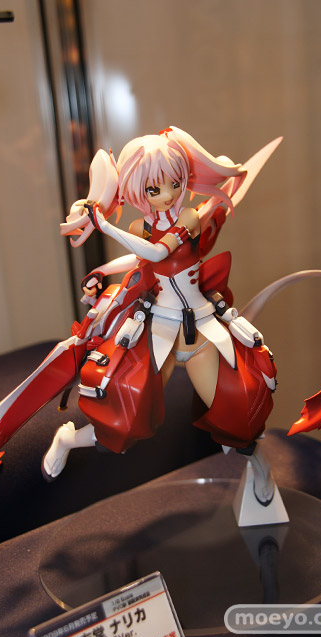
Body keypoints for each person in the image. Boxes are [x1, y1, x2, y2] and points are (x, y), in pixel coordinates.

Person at [43, 126, 283, 512]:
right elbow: (140, 258)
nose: (167, 194)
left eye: (174, 183)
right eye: (154, 189)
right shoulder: (139, 228)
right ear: (138, 192)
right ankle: (68, 439)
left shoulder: (189, 217)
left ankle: (260, 468)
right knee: (125, 414)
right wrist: (102, 272)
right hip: (161, 330)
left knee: (236, 413)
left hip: (201, 328)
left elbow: (158, 253)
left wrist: (105, 227)